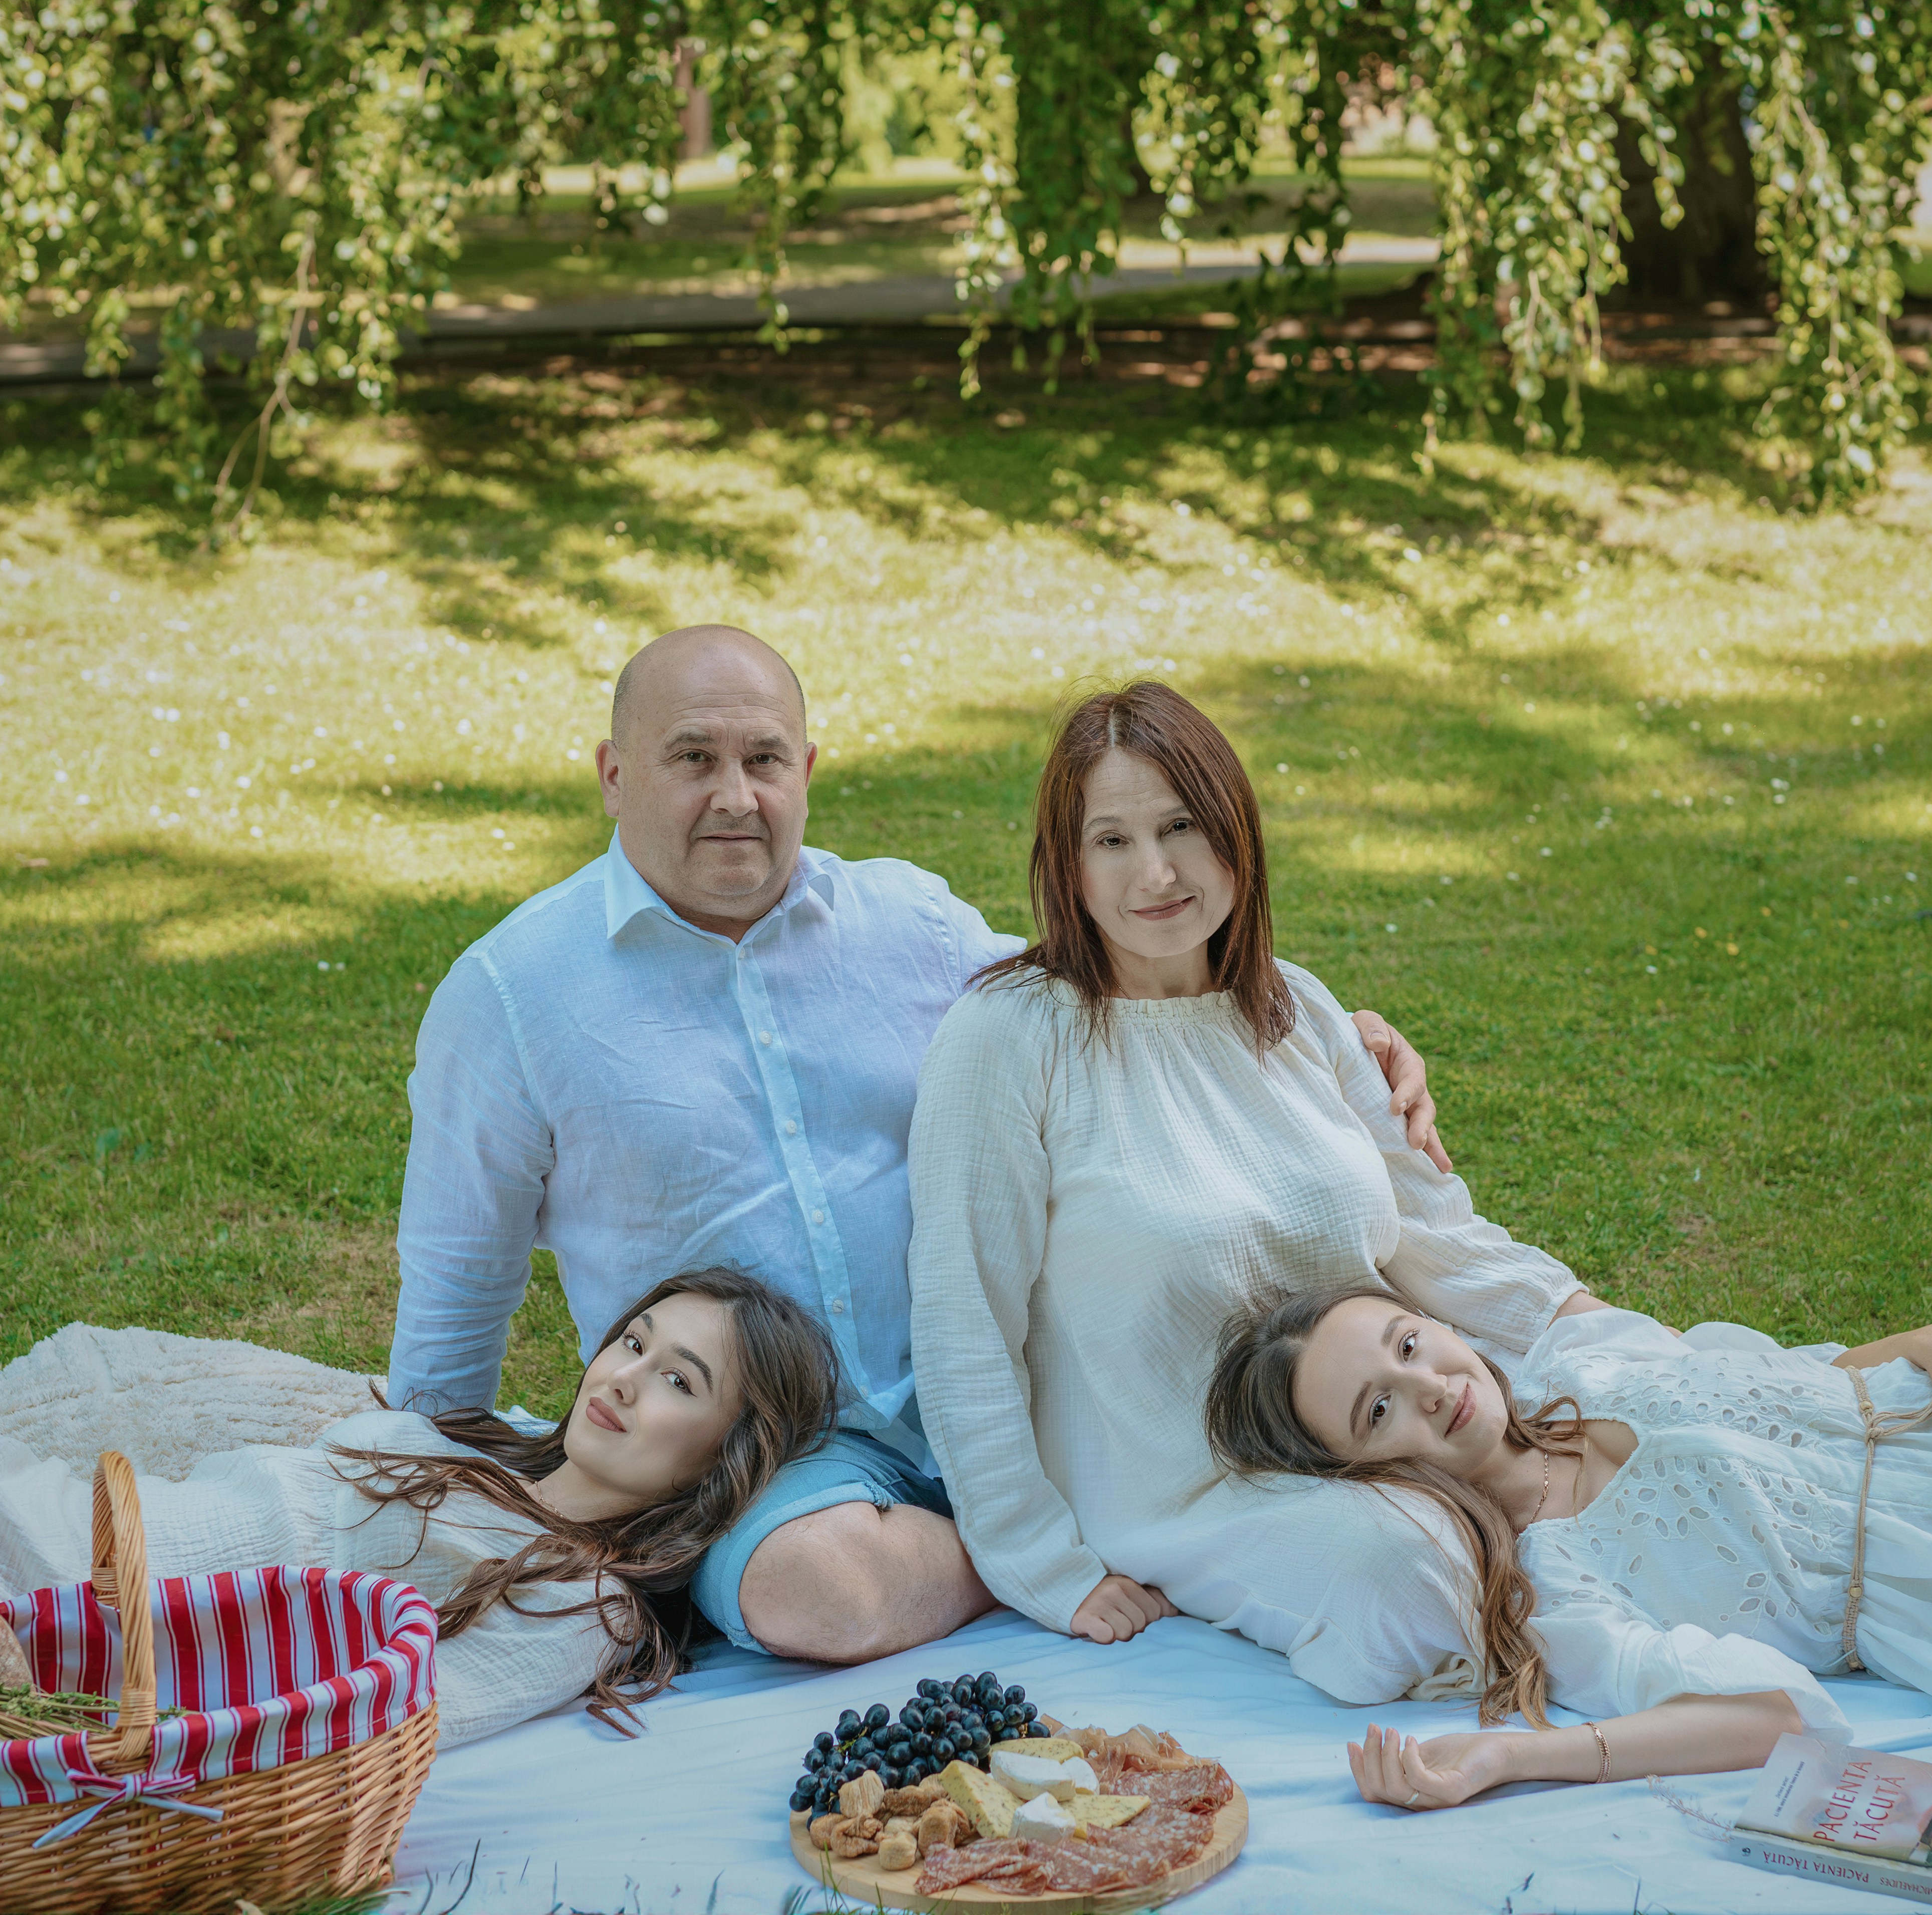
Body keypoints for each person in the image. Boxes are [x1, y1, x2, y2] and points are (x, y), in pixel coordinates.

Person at [384, 625, 1451, 1664]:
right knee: (819, 1587)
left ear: (804, 769)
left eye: (763, 760)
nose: (735, 796)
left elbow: (1129, 972)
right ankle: (1037, 1544)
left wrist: (1341, 1035)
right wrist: (439, 1508)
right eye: (692, 760)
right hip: (759, 1452)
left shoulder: (912, 924)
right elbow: (456, 1299)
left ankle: (1058, 1514)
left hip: (989, 1381)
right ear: (614, 774)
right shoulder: (510, 996)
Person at [906, 680, 1630, 1697]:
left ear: (1235, 832)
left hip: (1388, 1415)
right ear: (1066, 865)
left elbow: (1433, 1237)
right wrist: (1040, 1563)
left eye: (1181, 826)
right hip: (1193, 1486)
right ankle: (1652, 1673)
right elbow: (959, 1313)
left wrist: (1599, 1326)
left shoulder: (1297, 1008)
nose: (1154, 871)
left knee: (1662, 1408)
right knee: (1415, 1572)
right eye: (1110, 840)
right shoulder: (1009, 1038)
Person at [0, 1204, 838, 1748]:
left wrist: (111, 1734)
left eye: (681, 1380)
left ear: (724, 1458)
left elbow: (398, 1716)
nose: (627, 1375)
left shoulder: (581, 1598)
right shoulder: (493, 1447)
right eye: (637, 1338)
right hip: (68, 1516)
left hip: (76, 1623)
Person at [1206, 1285, 1932, 1807]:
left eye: (1406, 1339)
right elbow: (1780, 1714)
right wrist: (1505, 1758)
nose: (1431, 1383)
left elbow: (1808, 1377)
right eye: (1378, 1405)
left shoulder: (1587, 1366)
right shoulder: (1555, 1578)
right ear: (1365, 1473)